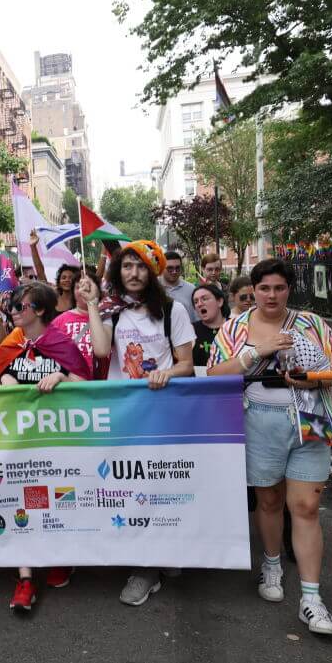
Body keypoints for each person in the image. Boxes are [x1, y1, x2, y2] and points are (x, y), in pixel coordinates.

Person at [208, 259, 332, 636]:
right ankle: (271, 564)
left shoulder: (311, 324)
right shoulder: (234, 327)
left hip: (309, 419)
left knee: (305, 506)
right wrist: (257, 351)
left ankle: (311, 598)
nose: (272, 295)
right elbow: (213, 373)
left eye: (279, 288)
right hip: (258, 419)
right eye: (264, 288)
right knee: (269, 500)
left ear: (289, 289)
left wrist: (311, 380)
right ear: (253, 291)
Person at [95, 240, 195, 607]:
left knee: (159, 486)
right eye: (126, 267)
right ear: (117, 272)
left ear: (152, 271)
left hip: (164, 414)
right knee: (131, 486)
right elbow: (102, 352)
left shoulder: (173, 310)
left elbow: (187, 363)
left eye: (140, 267)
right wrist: (94, 305)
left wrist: (167, 374)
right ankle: (148, 562)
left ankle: (152, 563)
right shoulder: (112, 312)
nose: (133, 273)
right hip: (125, 414)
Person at [0, 282, 92, 610]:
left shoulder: (61, 342)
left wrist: (61, 378)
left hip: (56, 439)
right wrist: (3, 379)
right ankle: (26, 577)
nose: (15, 311)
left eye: (22, 306)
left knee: (57, 500)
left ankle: (61, 557)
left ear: (41, 310)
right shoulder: (10, 342)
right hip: (17, 439)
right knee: (19, 502)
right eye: (13, 306)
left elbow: (85, 382)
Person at [50, 274, 110, 380]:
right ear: (73, 292)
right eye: (78, 287)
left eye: (88, 285)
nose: (84, 290)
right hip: (70, 385)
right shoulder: (60, 320)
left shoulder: (108, 317)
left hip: (100, 386)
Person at [191, 284, 227, 374]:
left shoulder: (236, 327)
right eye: (195, 302)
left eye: (204, 299)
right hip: (200, 384)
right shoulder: (190, 330)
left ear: (219, 302)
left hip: (230, 382)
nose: (199, 304)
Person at [161, 250, 199, 323]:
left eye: (177, 268)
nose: (174, 271)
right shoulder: (154, 288)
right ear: (162, 267)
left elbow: (197, 317)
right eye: (170, 268)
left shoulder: (191, 289)